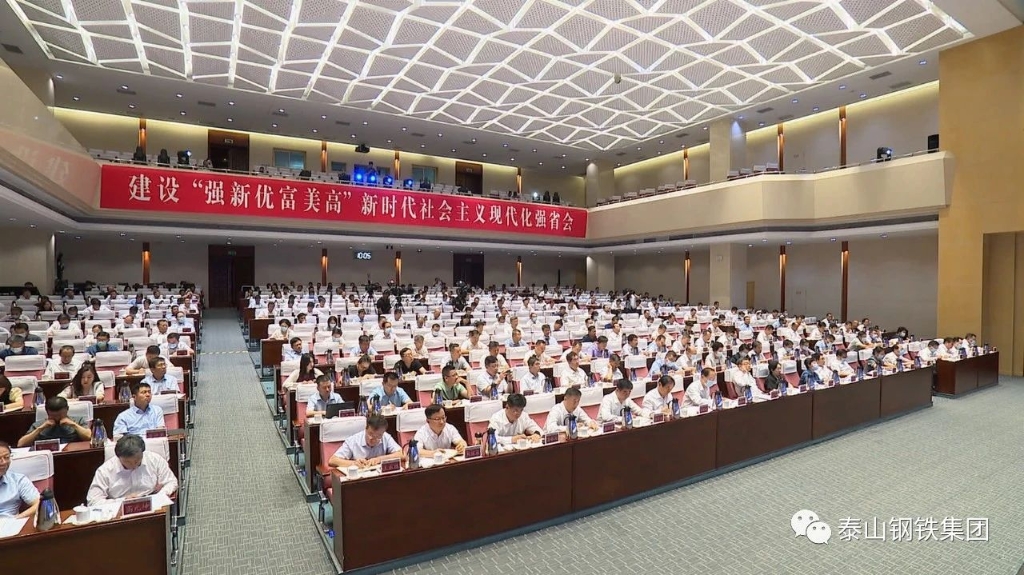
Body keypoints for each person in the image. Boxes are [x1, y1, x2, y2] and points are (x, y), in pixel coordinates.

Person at [86, 434, 178, 505]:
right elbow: (93, 501)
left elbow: (172, 482)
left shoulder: (154, 459)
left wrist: (160, 496)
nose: (134, 465)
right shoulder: (105, 471)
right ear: (118, 457)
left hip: (152, 501)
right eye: (127, 462)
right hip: (118, 508)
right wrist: (123, 501)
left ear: (143, 452)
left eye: (137, 460)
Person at [328, 414, 402, 469]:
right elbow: (332, 460)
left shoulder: (385, 437)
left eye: (377, 436)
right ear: (365, 429)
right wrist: (354, 463)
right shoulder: (353, 440)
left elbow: (402, 454)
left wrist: (379, 459)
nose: (372, 438)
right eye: (370, 434)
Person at [17, 396, 92, 447]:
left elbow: (89, 437)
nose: (57, 418)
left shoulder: (78, 421)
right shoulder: (39, 425)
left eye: (60, 415)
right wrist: (40, 429)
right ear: (47, 412)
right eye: (53, 415)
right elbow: (20, 444)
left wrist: (73, 425)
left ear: (67, 409)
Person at [0, 441, 40, 518]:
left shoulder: (18, 480)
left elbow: (39, 503)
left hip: (10, 522)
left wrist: (18, 518)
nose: (4, 462)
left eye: (6, 457)